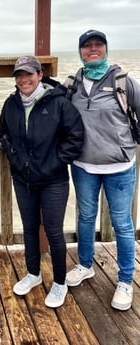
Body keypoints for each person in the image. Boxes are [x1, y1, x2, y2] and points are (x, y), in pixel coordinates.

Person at [0, 56, 84, 308]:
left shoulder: (58, 102)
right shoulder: (10, 104)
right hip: (23, 179)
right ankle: (33, 274)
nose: (23, 80)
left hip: (53, 180)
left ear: (39, 74)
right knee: (29, 227)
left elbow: (76, 136)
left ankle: (59, 282)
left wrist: (57, 161)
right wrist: (14, 157)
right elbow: (3, 133)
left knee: (54, 231)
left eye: (28, 74)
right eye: (19, 75)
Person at [65, 30, 140, 311]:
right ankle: (85, 265)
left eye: (98, 45)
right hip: (83, 165)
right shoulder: (72, 83)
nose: (92, 50)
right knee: (85, 217)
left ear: (106, 49)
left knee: (122, 223)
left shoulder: (123, 81)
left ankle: (125, 280)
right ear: (80, 51)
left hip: (120, 166)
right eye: (87, 46)